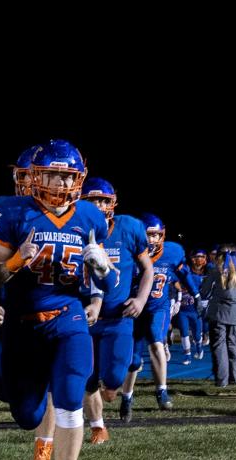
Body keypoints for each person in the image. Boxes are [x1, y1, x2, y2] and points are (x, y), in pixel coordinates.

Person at [0, 139, 110, 460]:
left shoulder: (90, 217)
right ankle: (38, 432)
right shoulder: (12, 212)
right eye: (53, 176)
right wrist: (15, 262)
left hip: (68, 318)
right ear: (37, 176)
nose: (61, 185)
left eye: (67, 177)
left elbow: (111, 283)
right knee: (26, 412)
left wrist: (101, 271)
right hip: (22, 325)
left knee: (70, 397)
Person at [0, 144, 55, 460]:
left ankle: (44, 450)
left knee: (53, 379)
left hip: (51, 314)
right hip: (7, 316)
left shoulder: (69, 214)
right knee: (19, 408)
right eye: (23, 176)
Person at [79, 177, 153, 440]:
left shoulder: (129, 227)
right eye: (93, 200)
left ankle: (115, 392)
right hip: (83, 315)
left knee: (112, 382)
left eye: (103, 200)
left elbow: (148, 269)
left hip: (118, 317)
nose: (99, 205)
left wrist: (141, 300)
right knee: (86, 377)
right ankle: (98, 427)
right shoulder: (72, 229)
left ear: (113, 203)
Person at [119, 214, 200, 412]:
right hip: (135, 310)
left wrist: (197, 295)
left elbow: (185, 274)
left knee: (157, 340)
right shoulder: (130, 251)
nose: (153, 239)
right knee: (134, 359)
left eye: (157, 235)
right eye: (149, 235)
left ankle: (162, 391)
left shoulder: (172, 251)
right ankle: (127, 397)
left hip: (158, 307)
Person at [198, 244, 236, 387]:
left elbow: (204, 291)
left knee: (219, 346)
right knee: (233, 344)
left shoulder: (216, 270)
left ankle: (222, 379)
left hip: (218, 313)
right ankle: (235, 376)